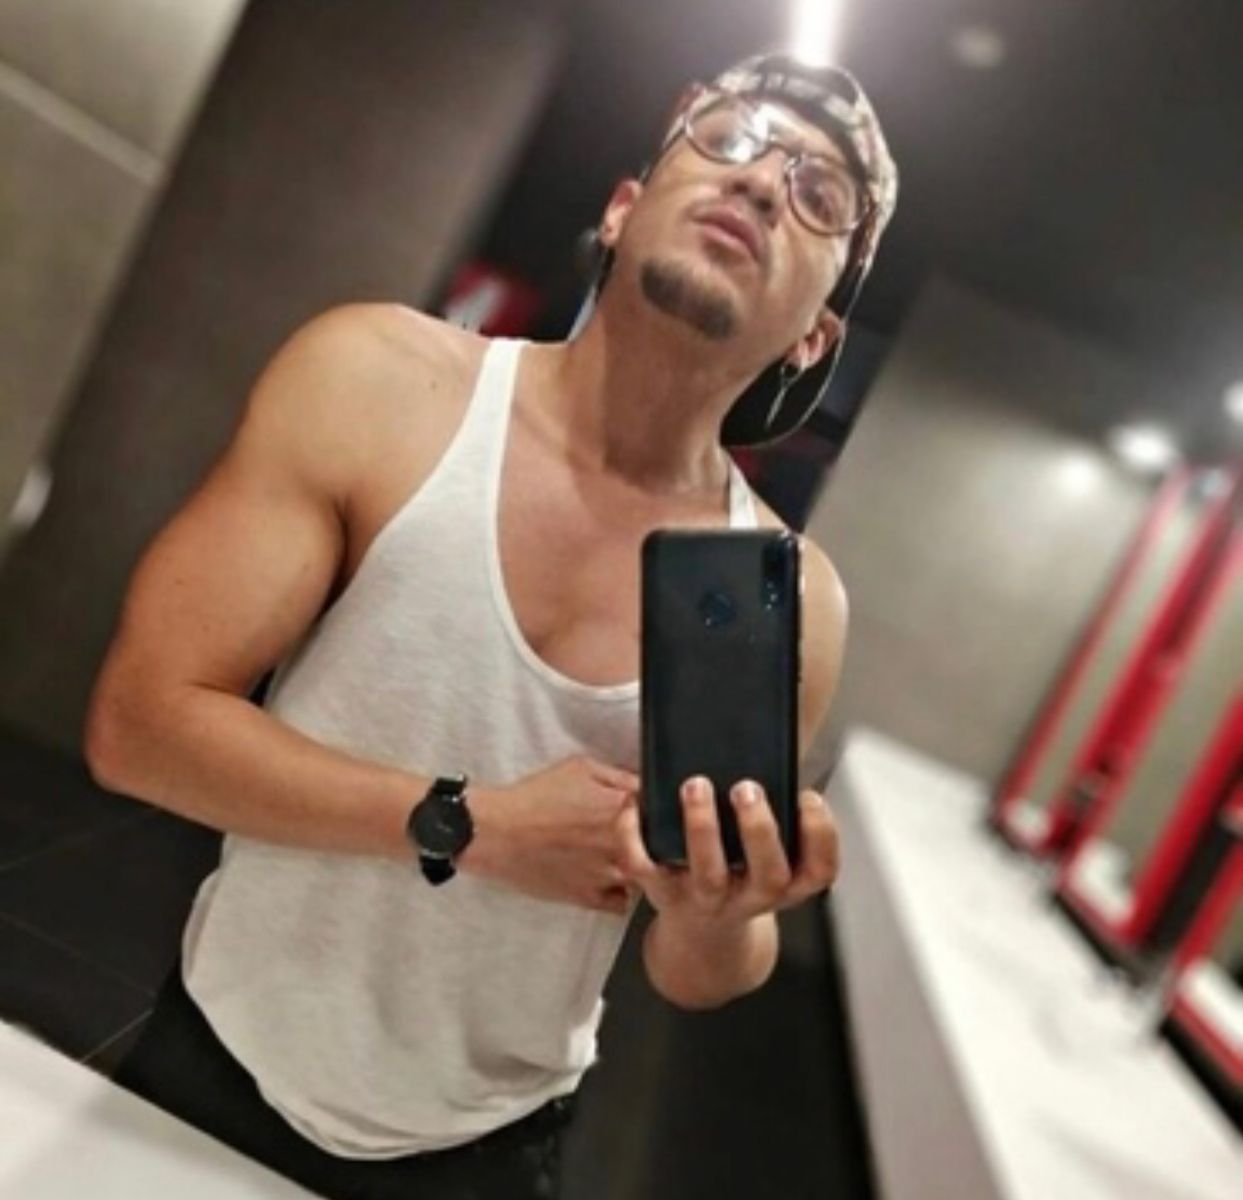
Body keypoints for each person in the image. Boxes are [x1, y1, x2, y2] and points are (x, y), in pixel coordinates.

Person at [85, 50, 897, 1200]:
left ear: (814, 338)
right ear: (622, 208)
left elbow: (698, 969)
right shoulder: (380, 383)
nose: (763, 181)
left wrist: (722, 913)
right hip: (216, 1054)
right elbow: (139, 726)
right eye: (731, 138)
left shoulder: (787, 592)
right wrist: (469, 826)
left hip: (487, 1149)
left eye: (819, 195)